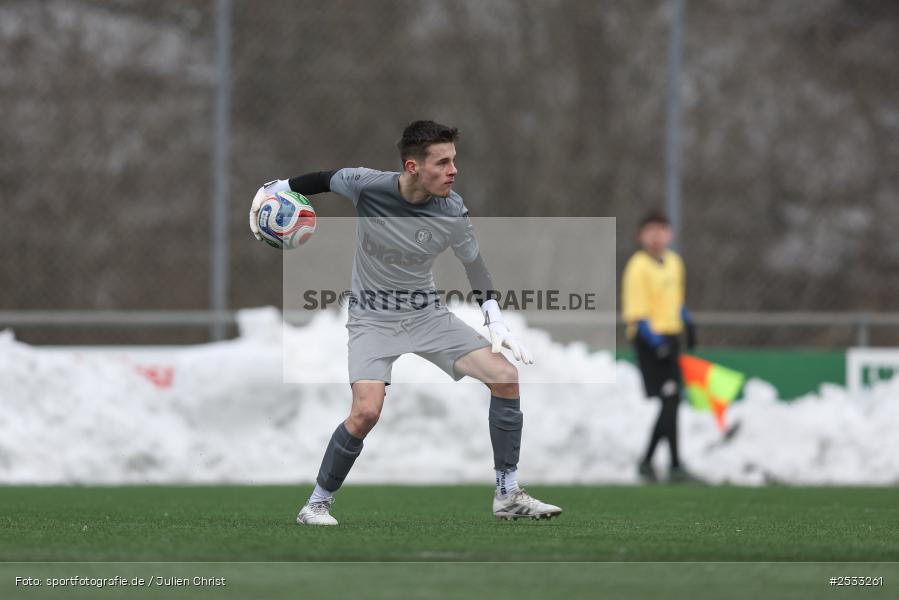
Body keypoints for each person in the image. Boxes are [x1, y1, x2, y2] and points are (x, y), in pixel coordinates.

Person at [248, 120, 562, 525]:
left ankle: (507, 494)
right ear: (413, 167)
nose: (453, 171)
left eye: (454, 161)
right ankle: (316, 504)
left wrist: (494, 319)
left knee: (505, 376)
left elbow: (475, 266)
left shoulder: (452, 210)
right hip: (372, 319)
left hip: (426, 315)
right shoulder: (367, 185)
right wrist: (277, 188)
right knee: (366, 412)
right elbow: (323, 180)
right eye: (442, 162)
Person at [621, 211, 698, 483]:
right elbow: (636, 315)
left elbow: (676, 301)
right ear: (640, 236)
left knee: (671, 400)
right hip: (650, 342)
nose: (656, 236)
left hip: (671, 338)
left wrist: (688, 322)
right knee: (670, 399)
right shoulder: (638, 267)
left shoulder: (675, 262)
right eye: (650, 231)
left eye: (661, 230)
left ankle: (649, 462)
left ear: (670, 234)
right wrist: (656, 344)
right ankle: (673, 465)